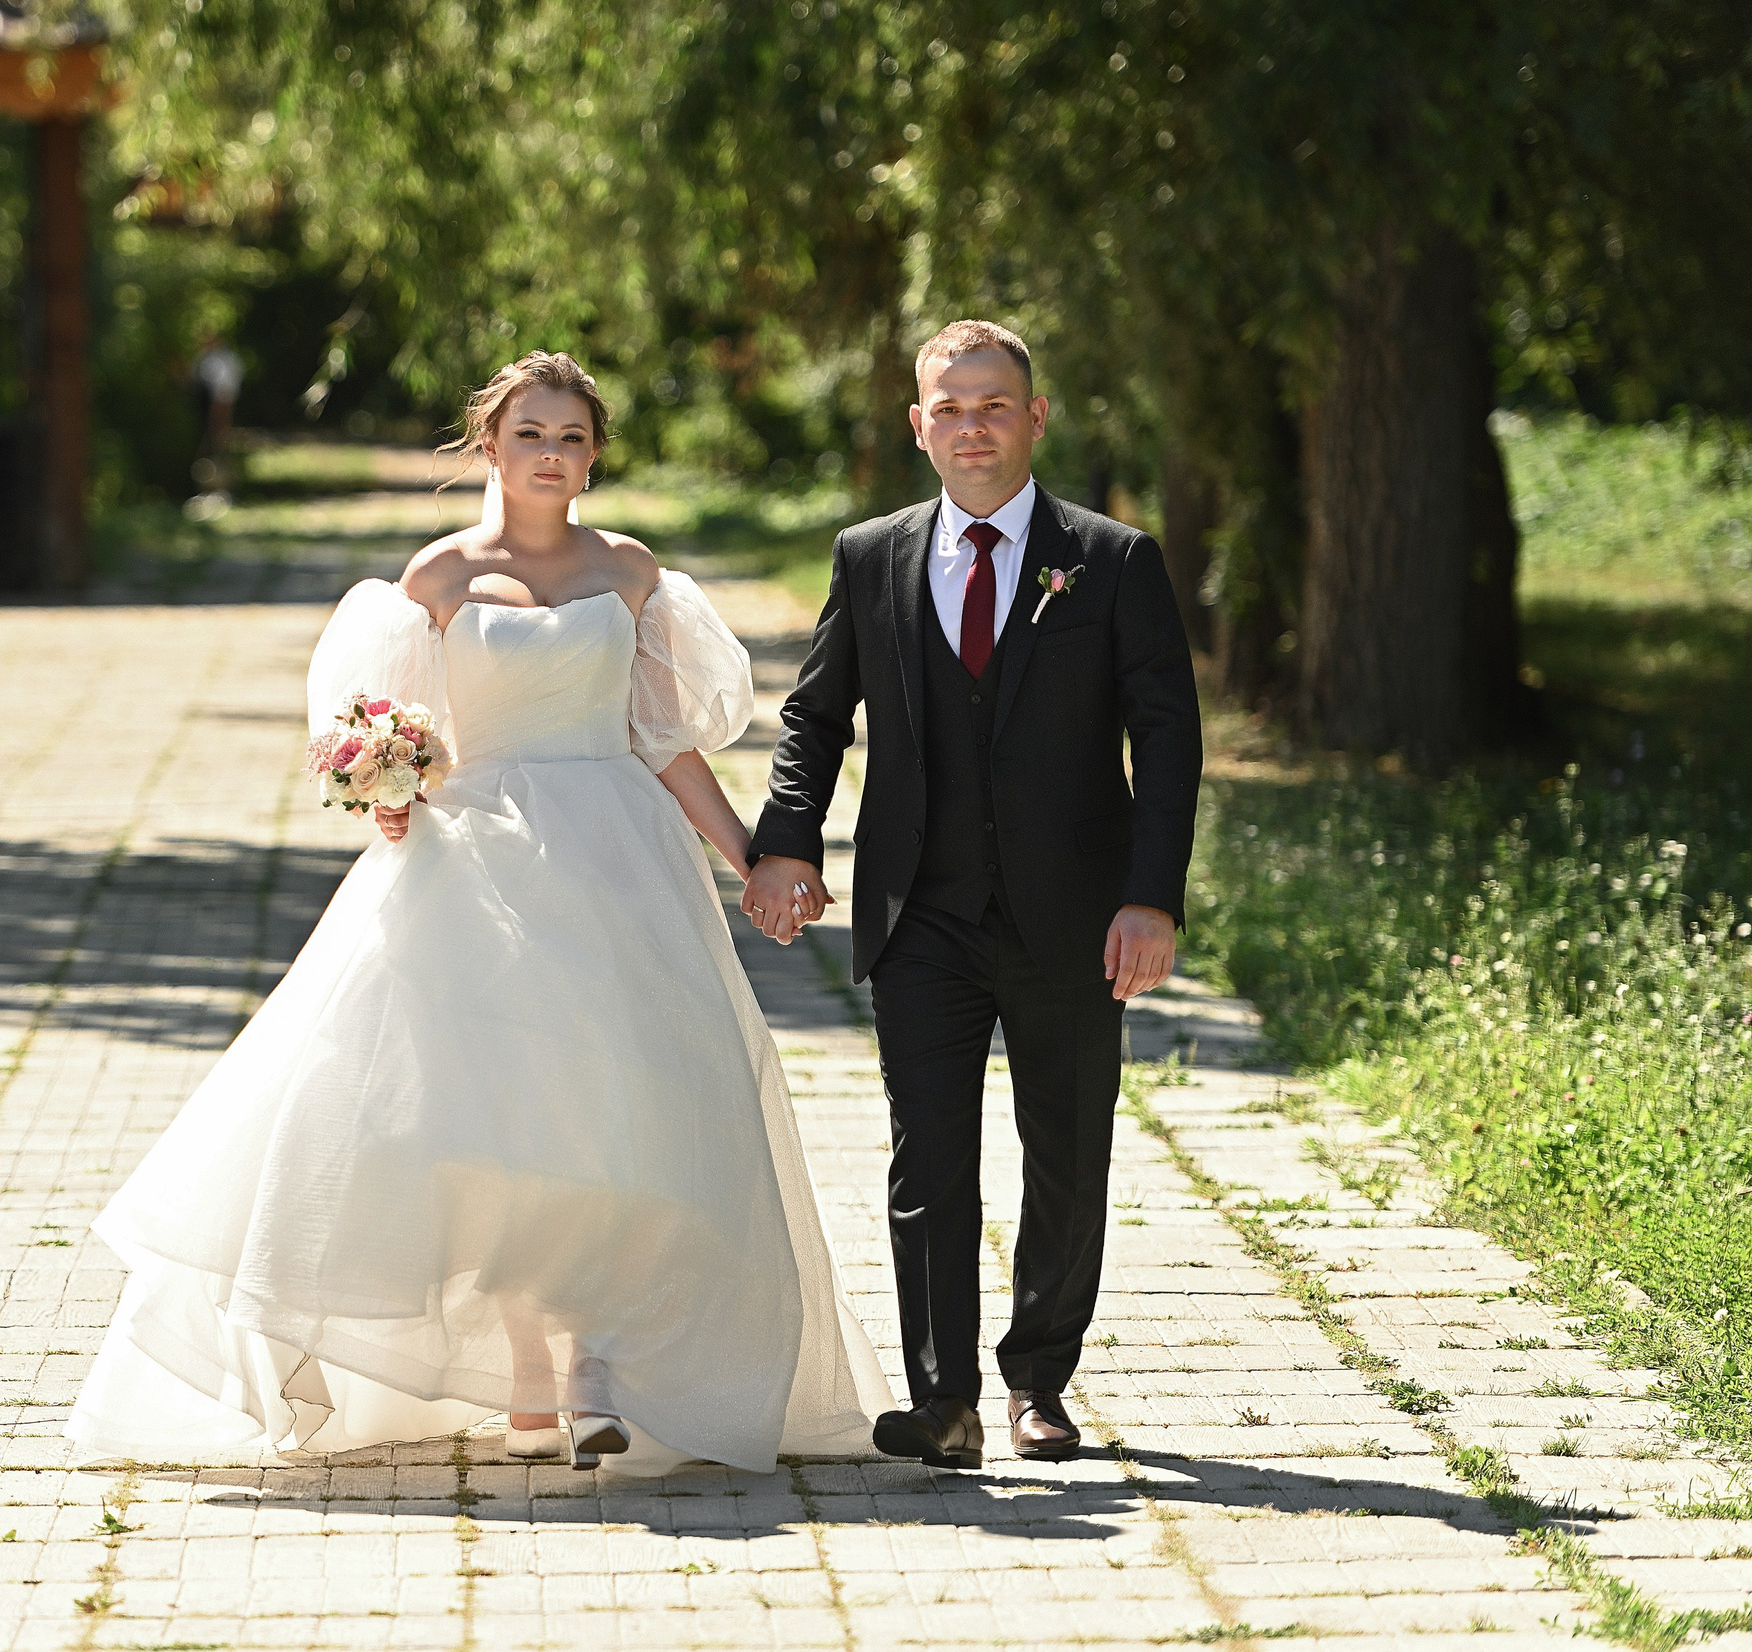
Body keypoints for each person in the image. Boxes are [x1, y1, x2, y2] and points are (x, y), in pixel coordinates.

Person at [69, 351, 888, 1474]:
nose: (551, 457)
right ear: (489, 448)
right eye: (530, 435)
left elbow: (661, 739)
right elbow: (400, 734)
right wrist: (390, 790)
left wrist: (752, 857)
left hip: (615, 858)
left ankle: (599, 1363)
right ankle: (529, 1378)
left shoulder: (633, 573)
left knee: (625, 1105)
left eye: (571, 439)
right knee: (491, 1120)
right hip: (480, 858)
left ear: (593, 455)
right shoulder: (438, 580)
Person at [741, 320, 1202, 1470]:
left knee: (1066, 1155)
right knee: (927, 1158)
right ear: (917, 424)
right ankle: (940, 1401)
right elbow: (813, 717)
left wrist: (1151, 898)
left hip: (1075, 917)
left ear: (1035, 418)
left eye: (993, 405)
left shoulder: (1111, 560)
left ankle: (1038, 1382)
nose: (971, 427)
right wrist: (786, 843)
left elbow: (1169, 740)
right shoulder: (871, 555)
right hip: (922, 915)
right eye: (948, 408)